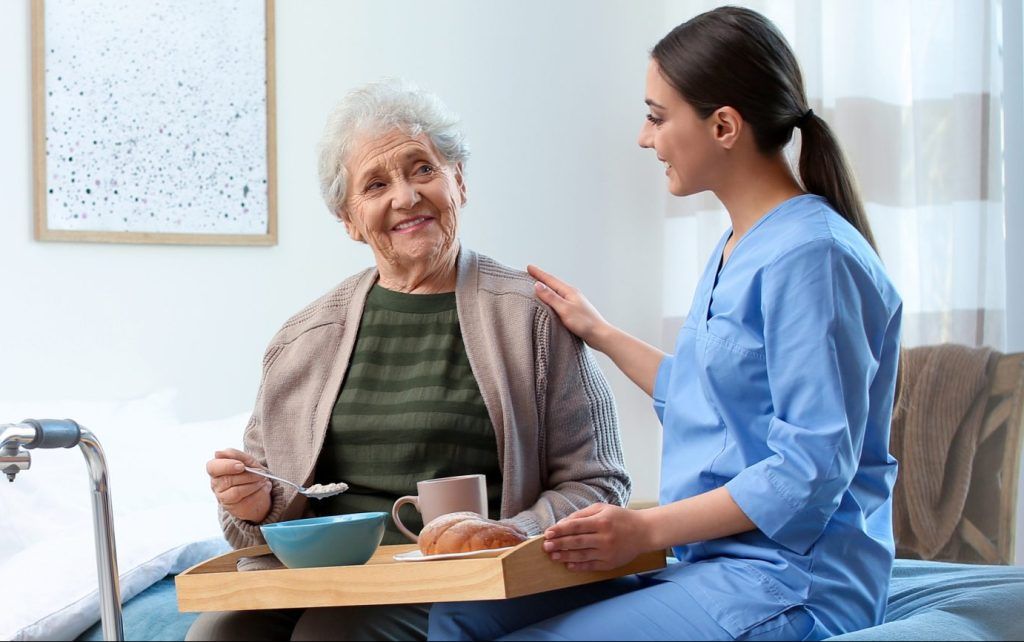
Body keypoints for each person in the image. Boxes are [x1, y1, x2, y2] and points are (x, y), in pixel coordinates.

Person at [429, 7, 902, 641]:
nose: (644, 138)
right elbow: (705, 400)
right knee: (462, 610)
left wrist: (644, 528)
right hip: (706, 565)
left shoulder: (812, 257)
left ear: (725, 125)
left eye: (656, 117)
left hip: (790, 583)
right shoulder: (739, 245)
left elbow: (809, 468)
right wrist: (598, 330)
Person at [186, 79, 631, 642]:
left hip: (465, 582)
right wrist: (253, 504)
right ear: (349, 220)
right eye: (375, 184)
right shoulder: (301, 340)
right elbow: (253, 527)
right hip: (325, 580)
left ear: (459, 181)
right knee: (218, 635)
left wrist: (507, 533)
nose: (405, 196)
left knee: (332, 637)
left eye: (422, 169)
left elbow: (599, 482)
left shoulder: (530, 318)